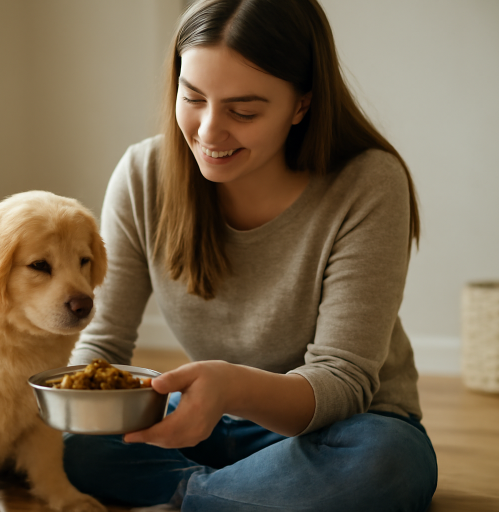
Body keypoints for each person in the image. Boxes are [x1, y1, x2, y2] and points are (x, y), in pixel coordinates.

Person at [64, 0, 438, 510]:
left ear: (301, 104)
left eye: (244, 111)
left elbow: (342, 381)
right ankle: (243, 495)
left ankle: (193, 495)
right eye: (192, 97)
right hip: (211, 419)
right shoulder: (142, 175)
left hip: (340, 426)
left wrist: (231, 387)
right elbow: (102, 344)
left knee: (388, 463)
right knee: (79, 446)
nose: (209, 132)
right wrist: (69, 403)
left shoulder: (367, 183)